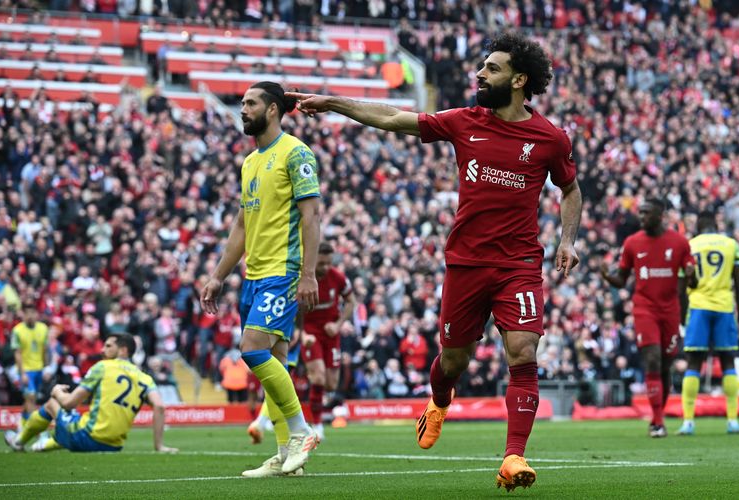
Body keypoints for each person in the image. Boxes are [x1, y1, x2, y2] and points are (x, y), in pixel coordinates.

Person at [287, 31, 581, 492]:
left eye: (492, 68)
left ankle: (513, 456)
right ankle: (439, 400)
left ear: (520, 79)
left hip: (520, 263)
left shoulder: (549, 138)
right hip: (465, 264)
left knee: (523, 352)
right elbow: (390, 116)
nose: (480, 74)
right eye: (482, 66)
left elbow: (570, 189)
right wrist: (335, 103)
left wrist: (567, 240)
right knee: (454, 361)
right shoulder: (464, 121)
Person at [200, 81, 321, 477]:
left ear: (272, 110)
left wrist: (307, 274)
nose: (243, 109)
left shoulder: (296, 152)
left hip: (283, 272)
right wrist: (218, 276)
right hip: (254, 276)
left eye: (251, 102)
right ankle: (286, 454)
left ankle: (302, 432)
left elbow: (311, 217)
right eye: (242, 103)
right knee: (277, 363)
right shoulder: (250, 162)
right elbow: (241, 225)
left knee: (252, 350)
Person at [601, 198, 697, 438]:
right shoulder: (633, 243)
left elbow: (692, 282)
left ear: (660, 215)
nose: (642, 217)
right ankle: (657, 421)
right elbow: (622, 279)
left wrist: (693, 276)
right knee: (652, 359)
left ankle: (658, 415)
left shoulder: (679, 242)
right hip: (644, 309)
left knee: (665, 365)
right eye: (641, 213)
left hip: (670, 311)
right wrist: (606, 276)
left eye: (646, 213)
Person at [4, 333, 177, 453]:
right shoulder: (145, 378)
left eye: (109, 346)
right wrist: (159, 446)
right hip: (114, 446)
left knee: (52, 405)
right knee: (73, 420)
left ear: (123, 350)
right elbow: (160, 406)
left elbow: (69, 403)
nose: (102, 350)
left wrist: (56, 392)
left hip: (88, 437)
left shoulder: (103, 366)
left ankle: (18, 442)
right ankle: (41, 446)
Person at [677, 211, 739, 435]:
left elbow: (681, 285)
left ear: (698, 225)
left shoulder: (690, 245)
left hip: (698, 307)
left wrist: (682, 316)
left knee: (694, 363)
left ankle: (688, 421)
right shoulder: (731, 245)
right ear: (716, 225)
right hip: (724, 307)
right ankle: (733, 421)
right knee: (728, 362)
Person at [299, 241, 356, 440]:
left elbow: (351, 301)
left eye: (328, 263)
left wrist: (339, 324)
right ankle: (317, 426)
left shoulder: (337, 277)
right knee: (319, 378)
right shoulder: (302, 278)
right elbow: (292, 309)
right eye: (321, 263)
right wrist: (302, 334)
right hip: (310, 333)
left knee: (331, 385)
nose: (324, 267)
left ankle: (312, 383)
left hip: (331, 334)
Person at [10, 303, 49, 428]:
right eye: (27, 313)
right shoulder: (17, 331)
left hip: (39, 369)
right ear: (23, 315)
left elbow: (45, 349)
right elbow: (17, 353)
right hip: (26, 371)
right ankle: (38, 430)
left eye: (32, 313)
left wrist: (46, 368)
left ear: (36, 314)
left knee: (30, 400)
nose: (30, 316)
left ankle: (21, 425)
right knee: (31, 397)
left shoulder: (43, 328)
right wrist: (22, 373)